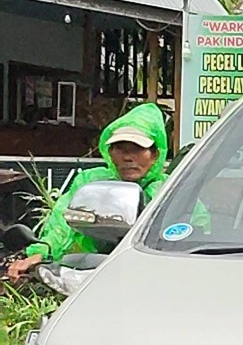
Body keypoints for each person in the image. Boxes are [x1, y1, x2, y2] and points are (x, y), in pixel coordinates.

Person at [5, 103, 170, 283]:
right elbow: (64, 223)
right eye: (120, 148)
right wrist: (41, 253)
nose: (128, 157)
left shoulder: (170, 189)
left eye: (137, 148)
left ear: (155, 154)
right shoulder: (91, 181)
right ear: (109, 152)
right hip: (87, 277)